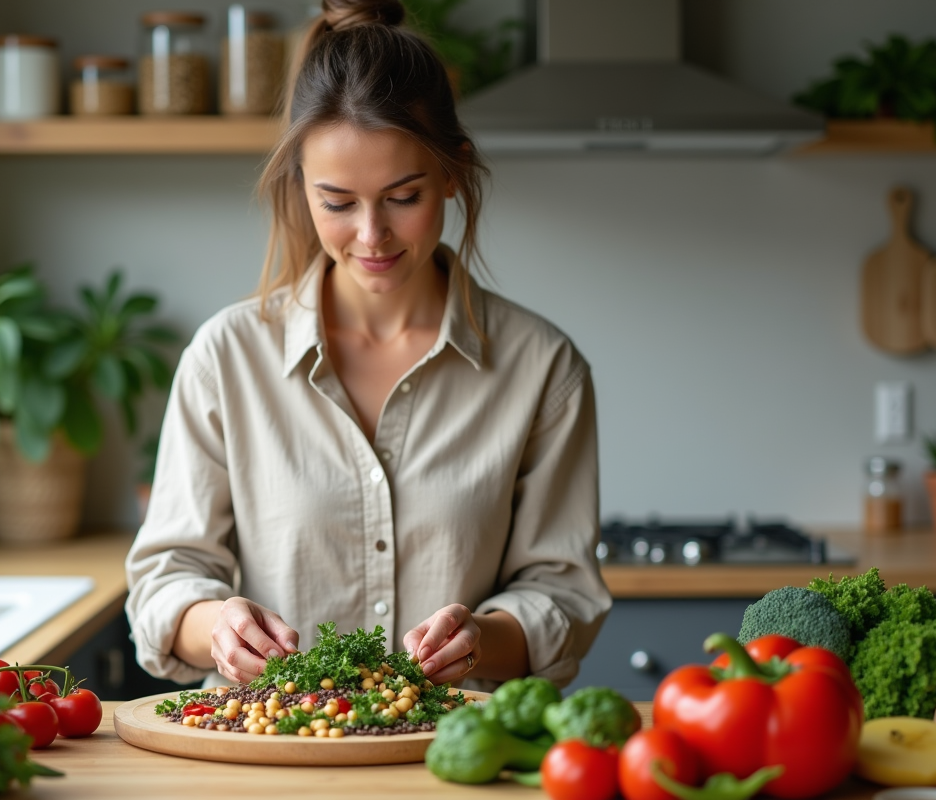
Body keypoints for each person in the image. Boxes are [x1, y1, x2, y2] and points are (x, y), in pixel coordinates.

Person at [125, 0, 611, 692]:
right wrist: (218, 629)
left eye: (403, 196)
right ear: (301, 187)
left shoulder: (543, 370)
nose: (371, 235)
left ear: (451, 173)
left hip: (456, 767)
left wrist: (480, 642)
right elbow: (164, 582)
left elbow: (560, 596)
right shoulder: (226, 357)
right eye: (338, 202)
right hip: (271, 764)